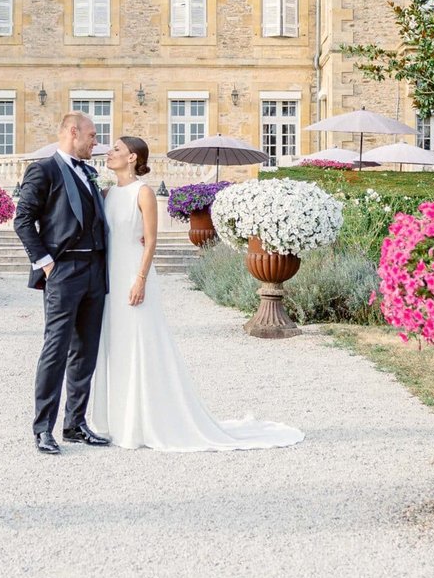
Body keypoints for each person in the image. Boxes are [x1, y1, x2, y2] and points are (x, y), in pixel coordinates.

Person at [87, 135, 302, 452]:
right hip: (110, 277)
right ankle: (119, 420)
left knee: (140, 343)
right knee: (115, 344)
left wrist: (140, 279)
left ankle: (146, 420)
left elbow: (150, 241)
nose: (109, 152)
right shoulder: (106, 193)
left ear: (133, 157)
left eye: (116, 149)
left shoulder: (143, 193)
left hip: (134, 274)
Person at [12, 112, 110, 455]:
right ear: (73, 132)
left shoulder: (90, 172)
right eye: (93, 136)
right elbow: (22, 221)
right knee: (56, 349)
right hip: (64, 270)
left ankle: (75, 424)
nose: (96, 142)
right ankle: (43, 429)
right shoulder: (44, 169)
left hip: (95, 270)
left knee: (86, 351)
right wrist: (47, 263)